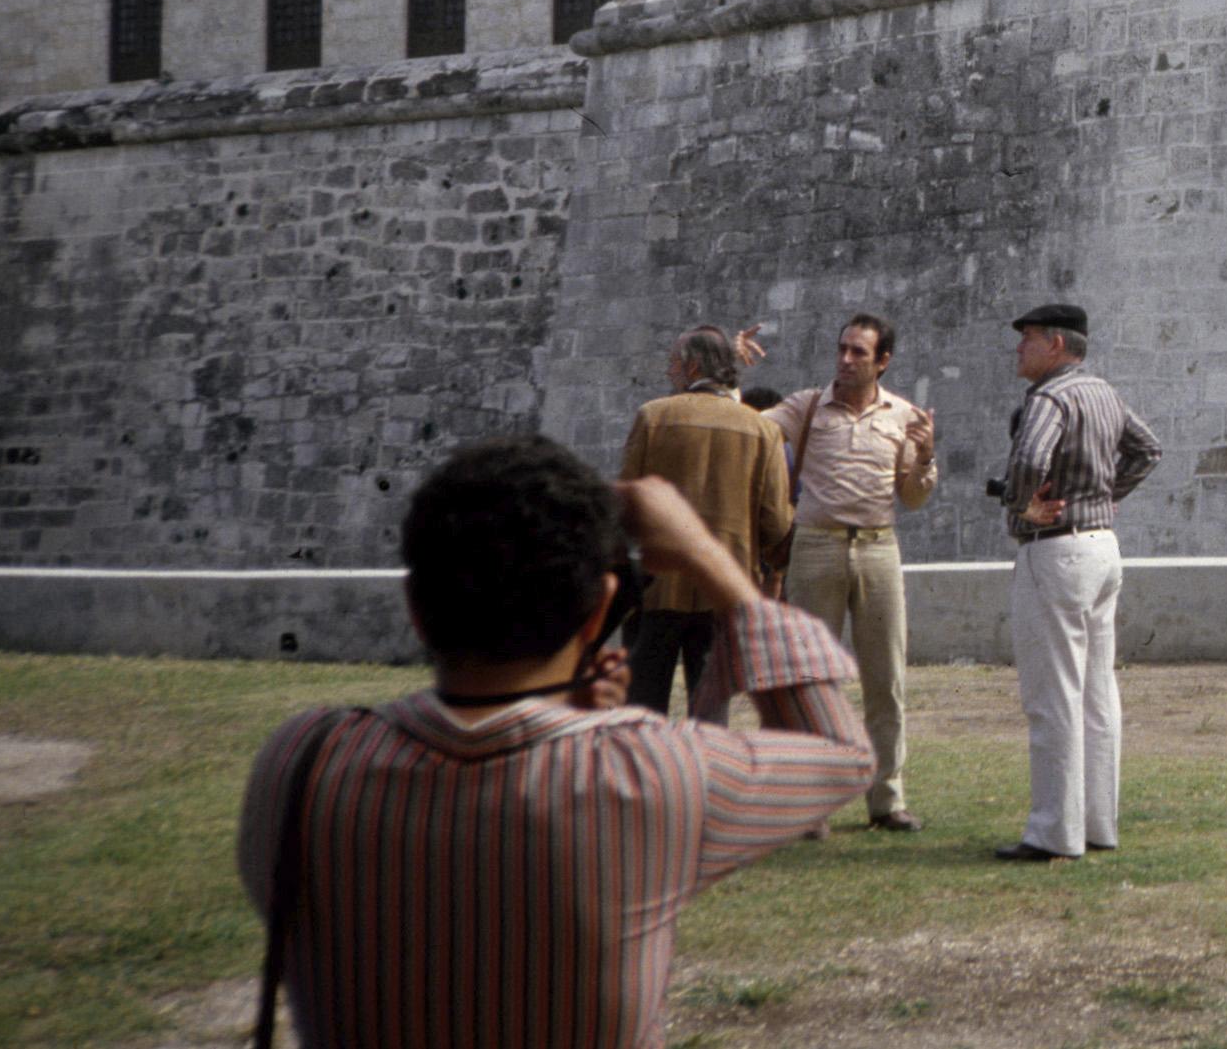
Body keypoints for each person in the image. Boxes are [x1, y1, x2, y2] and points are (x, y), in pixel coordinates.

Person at [238, 437, 871, 1049]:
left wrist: (561, 715)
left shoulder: (300, 763)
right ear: (599, 613)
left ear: (415, 606)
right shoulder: (657, 774)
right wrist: (715, 564)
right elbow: (841, 754)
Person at [996, 302, 1161, 863]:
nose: (1020, 347)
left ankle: (1052, 831)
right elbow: (1147, 449)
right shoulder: (1104, 393)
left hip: (1058, 550)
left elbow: (1028, 459)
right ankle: (1097, 824)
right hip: (1102, 547)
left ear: (1058, 346)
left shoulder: (1051, 397)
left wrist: (1022, 508)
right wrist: (1105, 497)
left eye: (1030, 338)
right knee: (1097, 695)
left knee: (1052, 697)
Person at [770, 313, 937, 831]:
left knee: (885, 680)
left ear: (882, 361)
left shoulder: (904, 416)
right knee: (812, 680)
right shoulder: (807, 406)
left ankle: (887, 799)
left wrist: (925, 459)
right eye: (842, 349)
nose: (845, 359)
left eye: (858, 352)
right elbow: (750, 427)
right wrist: (729, 380)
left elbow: (911, 498)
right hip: (816, 548)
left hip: (879, 550)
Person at [618, 325, 793, 721]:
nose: (668, 373)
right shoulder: (764, 430)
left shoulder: (653, 417)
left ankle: (648, 783)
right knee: (711, 718)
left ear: (693, 365)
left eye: (672, 364)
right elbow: (777, 523)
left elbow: (626, 506)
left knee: (643, 713)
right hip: (723, 592)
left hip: (654, 590)